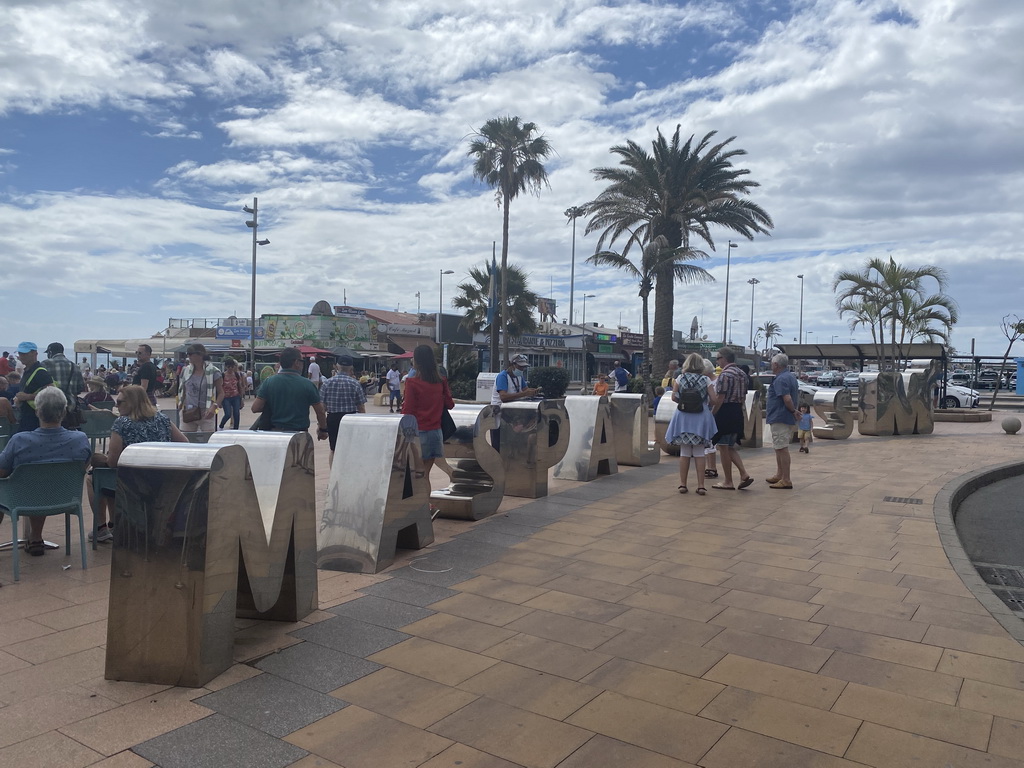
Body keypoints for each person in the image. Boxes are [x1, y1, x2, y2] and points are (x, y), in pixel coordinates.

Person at [88, 385, 188, 541]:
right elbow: (184, 442)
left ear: (132, 402)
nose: (116, 405)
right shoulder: (162, 419)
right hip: (161, 479)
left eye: (120, 402)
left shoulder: (122, 423)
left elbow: (113, 462)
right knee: (109, 476)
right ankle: (115, 523)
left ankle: (101, 527)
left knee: (95, 477)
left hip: (131, 482)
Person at [0, 387, 91, 556]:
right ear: (64, 412)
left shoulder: (20, 440)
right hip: (65, 498)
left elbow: (2, 472)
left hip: (22, 499)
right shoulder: (80, 439)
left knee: (24, 485)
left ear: (37, 412)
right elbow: (83, 466)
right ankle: (35, 537)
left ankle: (35, 537)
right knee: (44, 481)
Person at [402, 345, 454, 500]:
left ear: (417, 361)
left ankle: (419, 509)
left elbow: (408, 411)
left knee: (416, 475)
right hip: (435, 433)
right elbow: (450, 404)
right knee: (425, 474)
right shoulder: (441, 381)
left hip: (418, 434)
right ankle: (426, 507)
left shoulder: (412, 382)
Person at [664, 353, 720, 495]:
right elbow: (714, 399)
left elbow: (674, 397)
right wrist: (703, 403)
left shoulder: (680, 378)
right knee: (700, 452)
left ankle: (683, 484)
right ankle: (701, 485)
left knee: (685, 451)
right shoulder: (706, 379)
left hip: (683, 417)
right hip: (700, 418)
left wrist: (685, 402)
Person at [252, 347, 328, 437]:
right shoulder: (307, 384)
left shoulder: (269, 382)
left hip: (275, 434)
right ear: (296, 363)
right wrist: (323, 430)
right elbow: (320, 412)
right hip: (299, 435)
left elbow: (255, 408)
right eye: (302, 361)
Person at [711, 347, 754, 490]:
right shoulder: (742, 374)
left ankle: (728, 481)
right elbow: (743, 397)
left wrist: (713, 414)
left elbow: (720, 398)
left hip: (725, 411)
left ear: (724, 358)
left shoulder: (725, 375)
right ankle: (743, 474)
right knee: (730, 446)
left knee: (723, 446)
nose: (717, 361)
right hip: (737, 411)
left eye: (718, 358)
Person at [319, 354, 366, 464]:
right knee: (350, 448)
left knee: (333, 449)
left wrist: (321, 426)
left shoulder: (327, 383)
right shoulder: (355, 383)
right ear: (351, 368)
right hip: (351, 419)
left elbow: (322, 407)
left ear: (337, 366)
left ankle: (333, 475)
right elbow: (361, 407)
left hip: (333, 418)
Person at [489, 354, 539, 452]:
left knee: (513, 443)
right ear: (512, 365)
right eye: (520, 367)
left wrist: (532, 392)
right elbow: (503, 396)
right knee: (499, 445)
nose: (522, 369)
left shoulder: (519, 377)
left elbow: (525, 390)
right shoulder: (502, 376)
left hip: (513, 414)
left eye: (523, 367)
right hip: (499, 415)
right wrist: (524, 393)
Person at [765, 353, 800, 489]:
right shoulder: (790, 376)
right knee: (778, 447)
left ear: (776, 365)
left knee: (782, 447)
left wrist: (792, 411)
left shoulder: (781, 379)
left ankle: (786, 479)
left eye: (772, 363)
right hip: (782, 417)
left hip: (780, 416)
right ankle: (780, 474)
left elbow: (787, 398)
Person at [174, 343, 224, 433]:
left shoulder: (214, 371)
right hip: (188, 410)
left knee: (207, 438)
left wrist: (215, 407)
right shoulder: (186, 370)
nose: (188, 356)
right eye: (187, 354)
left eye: (190, 354)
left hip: (206, 410)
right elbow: (183, 389)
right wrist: (180, 403)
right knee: (186, 439)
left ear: (200, 355)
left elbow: (221, 392)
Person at [41, 342, 86, 428]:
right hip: (69, 409)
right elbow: (80, 387)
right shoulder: (74, 366)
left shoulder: (45, 364)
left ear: (50, 352)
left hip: (49, 407)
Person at [12, 342, 53, 433]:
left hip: (35, 419)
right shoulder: (27, 370)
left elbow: (51, 392)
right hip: (27, 415)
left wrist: (27, 397)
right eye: (20, 353)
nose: (21, 356)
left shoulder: (40, 372)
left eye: (25, 353)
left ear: (35, 354)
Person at [702, 359, 719, 480]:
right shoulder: (712, 380)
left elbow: (715, 399)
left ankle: (712, 467)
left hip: (712, 412)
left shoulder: (714, 381)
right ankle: (710, 467)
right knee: (708, 442)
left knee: (711, 442)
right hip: (708, 412)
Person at [218, 358, 244, 430]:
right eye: (229, 367)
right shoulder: (222, 375)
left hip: (235, 396)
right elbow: (219, 387)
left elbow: (239, 386)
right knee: (228, 414)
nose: (230, 368)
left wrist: (241, 399)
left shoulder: (236, 375)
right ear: (226, 367)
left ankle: (236, 428)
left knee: (236, 413)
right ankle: (221, 426)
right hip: (226, 397)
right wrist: (219, 401)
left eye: (232, 367)